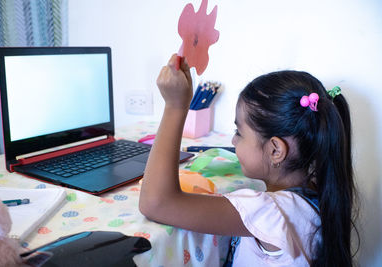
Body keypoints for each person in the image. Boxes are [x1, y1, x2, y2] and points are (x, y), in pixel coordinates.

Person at [139, 54, 357, 266]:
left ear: (275, 151)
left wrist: (175, 106)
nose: (233, 141)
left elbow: (156, 203)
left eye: (239, 132)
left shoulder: (269, 212)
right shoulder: (319, 191)